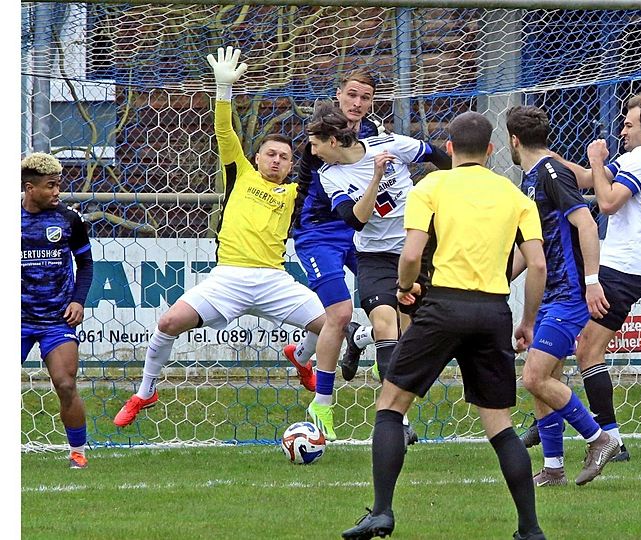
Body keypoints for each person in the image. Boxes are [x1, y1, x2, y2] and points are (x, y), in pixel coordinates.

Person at [341, 111, 546, 540]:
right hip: (493, 312)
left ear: (449, 149)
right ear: (491, 151)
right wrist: (526, 320)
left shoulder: (430, 184)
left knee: (391, 405)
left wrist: (403, 288)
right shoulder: (514, 195)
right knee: (500, 424)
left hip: (443, 307)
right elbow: (538, 265)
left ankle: (381, 511)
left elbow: (412, 254)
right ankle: (530, 529)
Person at [112, 46, 328, 430]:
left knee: (332, 325)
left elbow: (317, 162)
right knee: (167, 323)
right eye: (271, 154)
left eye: (284, 157)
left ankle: (301, 357)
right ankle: (145, 391)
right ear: (257, 158)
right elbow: (224, 131)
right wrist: (223, 89)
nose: (277, 160)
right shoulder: (240, 174)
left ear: (291, 165)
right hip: (228, 278)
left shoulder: (296, 193)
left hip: (274, 279)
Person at [533, 95, 641, 465]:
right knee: (583, 348)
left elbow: (608, 201)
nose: (622, 131)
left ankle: (562, 418)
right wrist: (545, 156)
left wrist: (596, 160)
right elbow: (584, 180)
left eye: (629, 125)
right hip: (629, 269)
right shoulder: (639, 159)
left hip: (620, 269)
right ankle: (597, 432)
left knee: (566, 341)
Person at [304, 102, 451, 441]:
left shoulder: (390, 145)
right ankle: (396, 423)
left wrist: (448, 190)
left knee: (408, 333)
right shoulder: (330, 175)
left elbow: (437, 155)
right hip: (375, 258)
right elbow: (355, 219)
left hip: (418, 252)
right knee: (386, 324)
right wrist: (375, 179)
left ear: (334, 141)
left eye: (315, 143)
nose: (311, 151)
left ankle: (359, 340)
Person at [505, 105, 620, 487]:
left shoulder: (551, 172)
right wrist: (498, 280)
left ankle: (599, 439)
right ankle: (553, 467)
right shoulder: (534, 178)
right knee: (545, 376)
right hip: (550, 292)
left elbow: (586, 223)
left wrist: (591, 282)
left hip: (568, 293)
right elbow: (530, 248)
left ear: (514, 140)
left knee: (535, 377)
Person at [282, 70, 382, 398]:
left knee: (390, 308)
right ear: (338, 94)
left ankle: (360, 339)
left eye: (365, 97)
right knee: (339, 313)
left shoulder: (375, 134)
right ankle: (322, 401)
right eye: (351, 94)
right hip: (319, 230)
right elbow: (307, 186)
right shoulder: (318, 138)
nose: (357, 102)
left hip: (359, 228)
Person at [21, 152, 94, 469]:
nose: (56, 192)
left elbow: (86, 264)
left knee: (65, 384)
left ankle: (78, 451)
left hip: (56, 320)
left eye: (58, 185)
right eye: (50, 186)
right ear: (29, 188)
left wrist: (78, 299)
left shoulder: (68, 220)